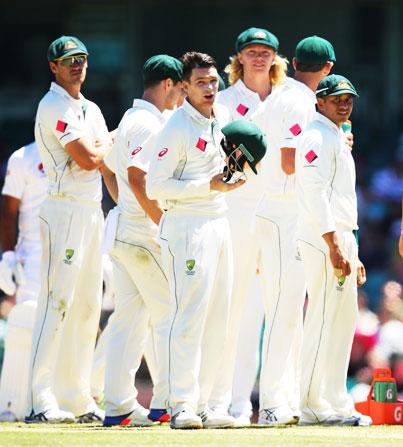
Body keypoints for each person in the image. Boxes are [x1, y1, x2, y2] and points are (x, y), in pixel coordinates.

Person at [146, 51, 265, 430]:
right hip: (186, 226)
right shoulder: (176, 127)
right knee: (189, 316)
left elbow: (224, 166)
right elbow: (155, 186)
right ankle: (180, 404)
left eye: (214, 81)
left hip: (218, 220)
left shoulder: (223, 120)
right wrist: (207, 185)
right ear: (184, 86)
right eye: (201, 82)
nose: (210, 88)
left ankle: (208, 405)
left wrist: (231, 178)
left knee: (220, 317)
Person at [27, 35, 111, 424]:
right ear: (54, 67)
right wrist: (109, 142)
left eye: (81, 58)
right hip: (63, 211)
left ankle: (76, 395)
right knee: (56, 303)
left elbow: (102, 164)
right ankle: (40, 398)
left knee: (87, 306)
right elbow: (89, 158)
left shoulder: (89, 108)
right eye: (68, 60)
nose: (76, 65)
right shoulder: (52, 105)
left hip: (91, 210)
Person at [254, 35, 336, 426]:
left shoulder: (277, 96)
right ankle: (273, 403)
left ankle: (284, 400)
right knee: (286, 312)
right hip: (287, 212)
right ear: (329, 69)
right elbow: (290, 161)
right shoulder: (302, 102)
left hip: (269, 208)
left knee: (284, 311)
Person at [100, 55, 184, 427]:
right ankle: (166, 401)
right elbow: (137, 176)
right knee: (170, 314)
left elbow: (105, 163)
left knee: (129, 319)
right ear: (168, 84)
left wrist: (126, 208)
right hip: (143, 234)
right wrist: (160, 222)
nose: (180, 96)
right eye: (180, 88)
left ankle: (118, 404)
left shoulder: (129, 120)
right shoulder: (149, 125)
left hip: (123, 228)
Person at [210, 27, 287, 426]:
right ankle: (227, 403)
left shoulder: (291, 99)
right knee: (235, 310)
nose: (259, 57)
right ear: (238, 57)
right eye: (251, 51)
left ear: (276, 57)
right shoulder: (222, 103)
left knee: (273, 310)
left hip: (278, 212)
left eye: (266, 51)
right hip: (236, 211)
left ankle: (267, 403)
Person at [295, 74, 369, 426]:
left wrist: (352, 249)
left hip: (342, 235)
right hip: (323, 236)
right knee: (323, 318)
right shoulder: (314, 136)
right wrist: (333, 243)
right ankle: (311, 405)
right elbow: (313, 192)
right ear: (319, 102)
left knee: (343, 321)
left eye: (348, 98)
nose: (344, 103)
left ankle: (336, 400)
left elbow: (341, 198)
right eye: (336, 98)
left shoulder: (337, 136)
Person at [0, 142, 46, 422]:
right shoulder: (23, 157)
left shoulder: (77, 149)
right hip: (32, 257)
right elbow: (8, 210)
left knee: (73, 326)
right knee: (26, 322)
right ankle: (12, 406)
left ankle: (55, 402)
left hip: (70, 255)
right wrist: (8, 256)